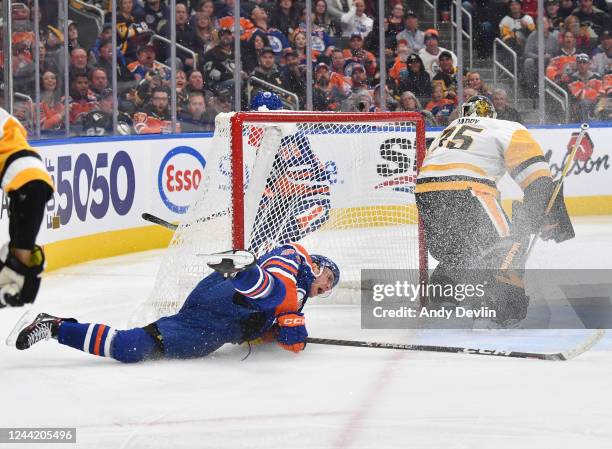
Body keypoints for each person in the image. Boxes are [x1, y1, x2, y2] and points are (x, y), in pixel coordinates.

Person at [10, 244, 339, 361]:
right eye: (328, 280)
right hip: (225, 293)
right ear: (319, 268)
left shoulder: (296, 306)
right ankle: (240, 270)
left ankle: (53, 326)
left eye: (329, 290)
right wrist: (284, 311)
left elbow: (257, 335)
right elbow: (279, 277)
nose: (326, 288)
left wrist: (283, 336)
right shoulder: (294, 257)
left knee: (131, 348)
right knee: (278, 294)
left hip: (210, 329)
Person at [415, 95, 574, 325]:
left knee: (461, 250)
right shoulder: (508, 127)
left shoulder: (448, 130)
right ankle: (502, 310)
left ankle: (442, 296)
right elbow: (538, 180)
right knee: (508, 246)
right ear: (491, 114)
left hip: (425, 192)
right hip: (468, 188)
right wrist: (545, 217)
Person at [248, 92, 332, 254]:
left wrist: (264, 197)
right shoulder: (267, 138)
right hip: (285, 202)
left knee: (273, 240)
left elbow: (297, 183)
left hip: (312, 203)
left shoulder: (291, 139)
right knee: (255, 237)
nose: (253, 122)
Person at [0, 108, 54, 308]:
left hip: (27, 184)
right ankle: (17, 278)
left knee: (19, 256)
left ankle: (17, 276)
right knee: (18, 251)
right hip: (36, 180)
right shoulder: (7, 119)